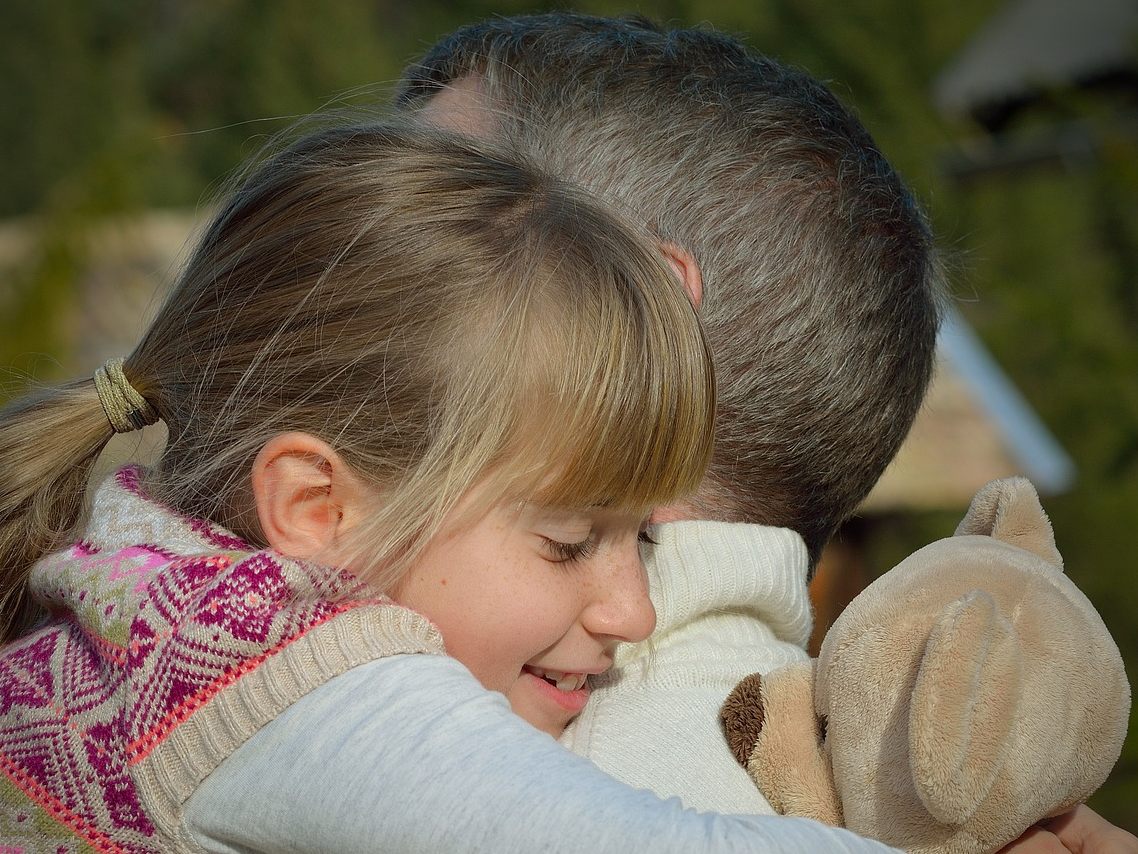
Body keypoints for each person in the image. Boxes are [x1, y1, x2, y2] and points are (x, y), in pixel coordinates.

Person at [0, 120, 908, 852]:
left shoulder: (141, 590)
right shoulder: (279, 681)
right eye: (568, 542)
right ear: (319, 509)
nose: (634, 611)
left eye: (645, 539)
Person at [397, 13, 1138, 852]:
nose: (320, 296)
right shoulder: (837, 796)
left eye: (412, 247)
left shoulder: (435, 786)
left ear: (643, 322)